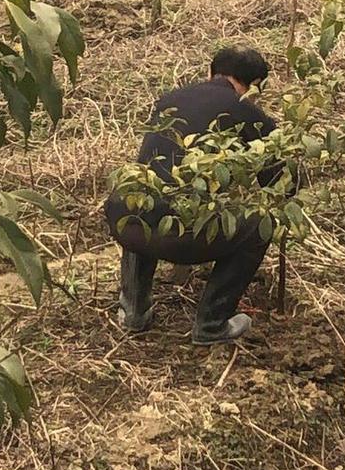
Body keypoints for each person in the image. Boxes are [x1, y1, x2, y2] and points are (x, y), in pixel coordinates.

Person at [105, 47, 284, 346]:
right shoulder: (248, 112)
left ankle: (134, 311)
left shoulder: (169, 99)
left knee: (146, 196)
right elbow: (280, 183)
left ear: (210, 72)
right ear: (255, 86)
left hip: (123, 219)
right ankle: (212, 324)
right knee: (261, 222)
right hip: (181, 235)